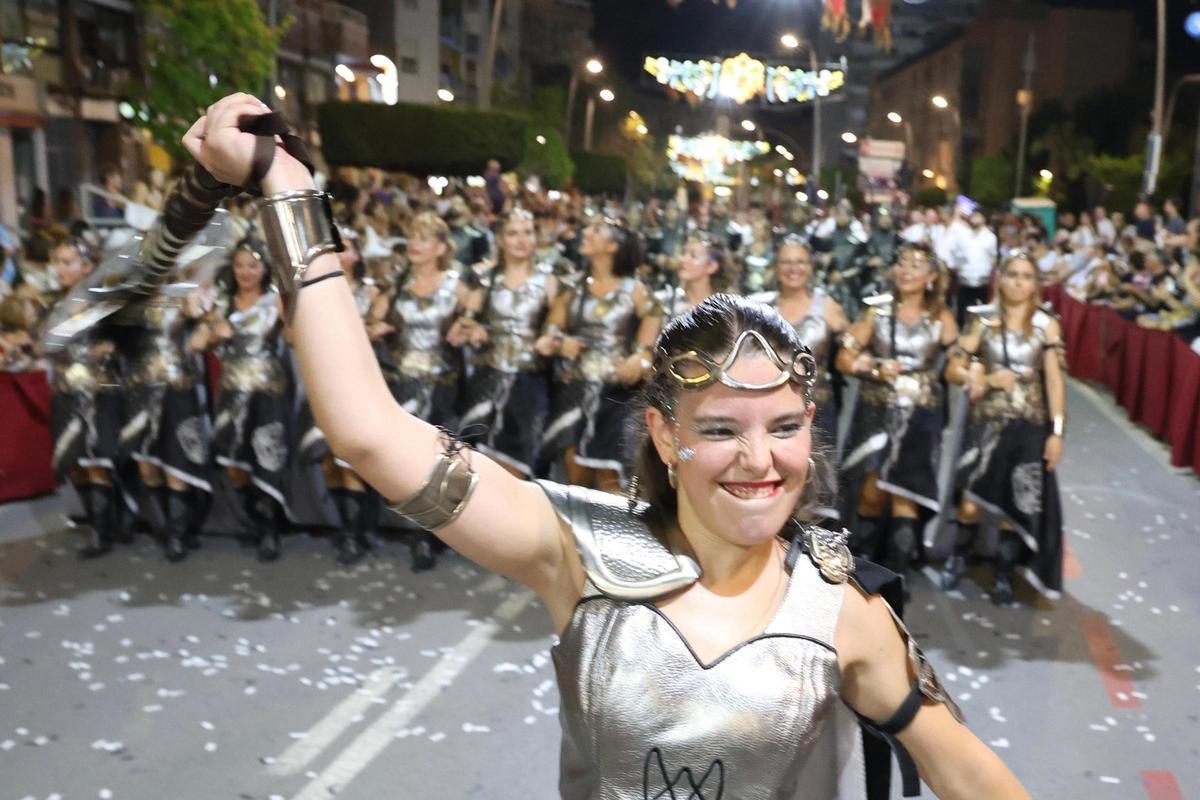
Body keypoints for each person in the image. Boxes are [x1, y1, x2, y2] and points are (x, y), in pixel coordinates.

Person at [183, 94, 1030, 800]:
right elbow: (369, 433)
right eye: (720, 429)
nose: (759, 460)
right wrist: (285, 190)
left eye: (784, 427)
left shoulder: (842, 607)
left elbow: (968, 774)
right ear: (663, 434)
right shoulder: (578, 549)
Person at [940, 253, 1066, 604]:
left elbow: (1055, 382)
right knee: (970, 503)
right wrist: (980, 376)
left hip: (1030, 427)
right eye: (1012, 274)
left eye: (1026, 275)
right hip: (986, 425)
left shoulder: (1046, 325)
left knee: (1017, 504)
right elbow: (953, 370)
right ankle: (957, 557)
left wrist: (1057, 432)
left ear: (1035, 283)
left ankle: (1003, 573)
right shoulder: (981, 321)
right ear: (1001, 278)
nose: (1018, 282)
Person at [836, 243, 958, 587]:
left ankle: (897, 575)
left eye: (916, 265)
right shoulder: (877, 311)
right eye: (901, 262)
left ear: (931, 277)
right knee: (871, 491)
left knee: (907, 491)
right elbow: (845, 359)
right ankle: (864, 568)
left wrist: (978, 374)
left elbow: (961, 363)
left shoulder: (942, 318)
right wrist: (874, 367)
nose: (906, 270)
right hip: (875, 411)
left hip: (920, 417)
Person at [370, 211, 468, 571]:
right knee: (408, 464)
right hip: (403, 387)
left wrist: (466, 327)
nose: (413, 244)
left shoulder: (458, 287)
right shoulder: (395, 287)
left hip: (443, 387)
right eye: (411, 236)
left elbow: (476, 321)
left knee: (437, 464)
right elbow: (368, 323)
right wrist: (375, 326)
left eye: (423, 238)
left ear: (441, 247)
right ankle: (417, 534)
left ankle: (433, 536)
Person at [536, 217, 661, 490]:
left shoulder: (637, 291)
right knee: (575, 483)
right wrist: (559, 342)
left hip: (616, 396)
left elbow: (651, 336)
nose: (585, 232)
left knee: (611, 483)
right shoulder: (572, 289)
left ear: (614, 245)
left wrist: (639, 358)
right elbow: (549, 333)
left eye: (595, 230)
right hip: (575, 393)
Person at [190, 239, 291, 562]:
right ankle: (254, 516)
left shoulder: (275, 301)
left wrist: (288, 316)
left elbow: (293, 337)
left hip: (268, 389)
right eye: (239, 265)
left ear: (264, 269)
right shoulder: (223, 303)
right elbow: (195, 346)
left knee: (268, 457)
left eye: (253, 265)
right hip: (231, 391)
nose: (246, 272)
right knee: (234, 463)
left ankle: (270, 528)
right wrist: (213, 332)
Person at [40, 239, 132, 558]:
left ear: (87, 267)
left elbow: (127, 340)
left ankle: (101, 531)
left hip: (98, 392)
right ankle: (108, 521)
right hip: (65, 391)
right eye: (58, 262)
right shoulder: (51, 304)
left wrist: (106, 347)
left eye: (68, 262)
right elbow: (43, 345)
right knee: (73, 463)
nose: (61, 269)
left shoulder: (103, 303)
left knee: (97, 462)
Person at [455, 208, 558, 479]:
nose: (521, 240)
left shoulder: (549, 282)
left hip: (529, 383)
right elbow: (463, 322)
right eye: (512, 233)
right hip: (487, 380)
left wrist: (553, 339)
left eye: (528, 232)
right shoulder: (485, 279)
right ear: (499, 239)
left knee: (520, 464)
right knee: (477, 466)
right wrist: (472, 327)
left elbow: (561, 326)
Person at [297, 229, 379, 564]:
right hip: (320, 384)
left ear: (358, 256)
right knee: (327, 461)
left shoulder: (372, 293)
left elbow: (378, 332)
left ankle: (356, 534)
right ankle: (347, 527)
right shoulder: (312, 292)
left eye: (344, 249)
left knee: (352, 463)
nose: (337, 255)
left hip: (359, 387)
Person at [115, 283, 212, 562]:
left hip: (177, 388)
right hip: (139, 391)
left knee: (178, 462)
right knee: (147, 466)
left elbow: (200, 336)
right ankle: (164, 529)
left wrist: (203, 316)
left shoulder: (184, 294)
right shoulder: (127, 301)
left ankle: (178, 535)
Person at [752, 236, 849, 451]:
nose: (793, 268)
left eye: (800, 262)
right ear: (776, 267)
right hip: (768, 406)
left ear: (811, 267)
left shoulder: (827, 306)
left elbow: (849, 348)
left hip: (817, 407)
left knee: (817, 474)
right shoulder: (759, 306)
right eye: (786, 262)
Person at [657, 232, 735, 322]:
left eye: (693, 256)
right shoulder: (664, 301)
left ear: (712, 266)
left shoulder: (726, 311)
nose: (683, 259)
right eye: (683, 253)